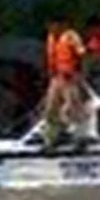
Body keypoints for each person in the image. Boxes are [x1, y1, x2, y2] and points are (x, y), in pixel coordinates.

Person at [42, 18, 87, 150]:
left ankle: (79, 138)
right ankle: (50, 140)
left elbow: (81, 53)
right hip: (56, 77)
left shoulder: (71, 36)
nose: (52, 28)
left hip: (70, 77)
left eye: (54, 24)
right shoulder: (51, 38)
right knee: (50, 109)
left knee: (73, 108)